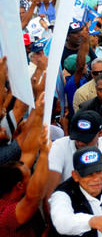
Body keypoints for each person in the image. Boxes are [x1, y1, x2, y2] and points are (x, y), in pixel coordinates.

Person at [0, 98, 49, 237]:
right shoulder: (6, 215)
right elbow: (34, 197)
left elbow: (28, 152)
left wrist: (39, 114)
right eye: (30, 176)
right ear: (20, 185)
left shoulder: (12, 184)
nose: (33, 177)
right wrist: (45, 155)